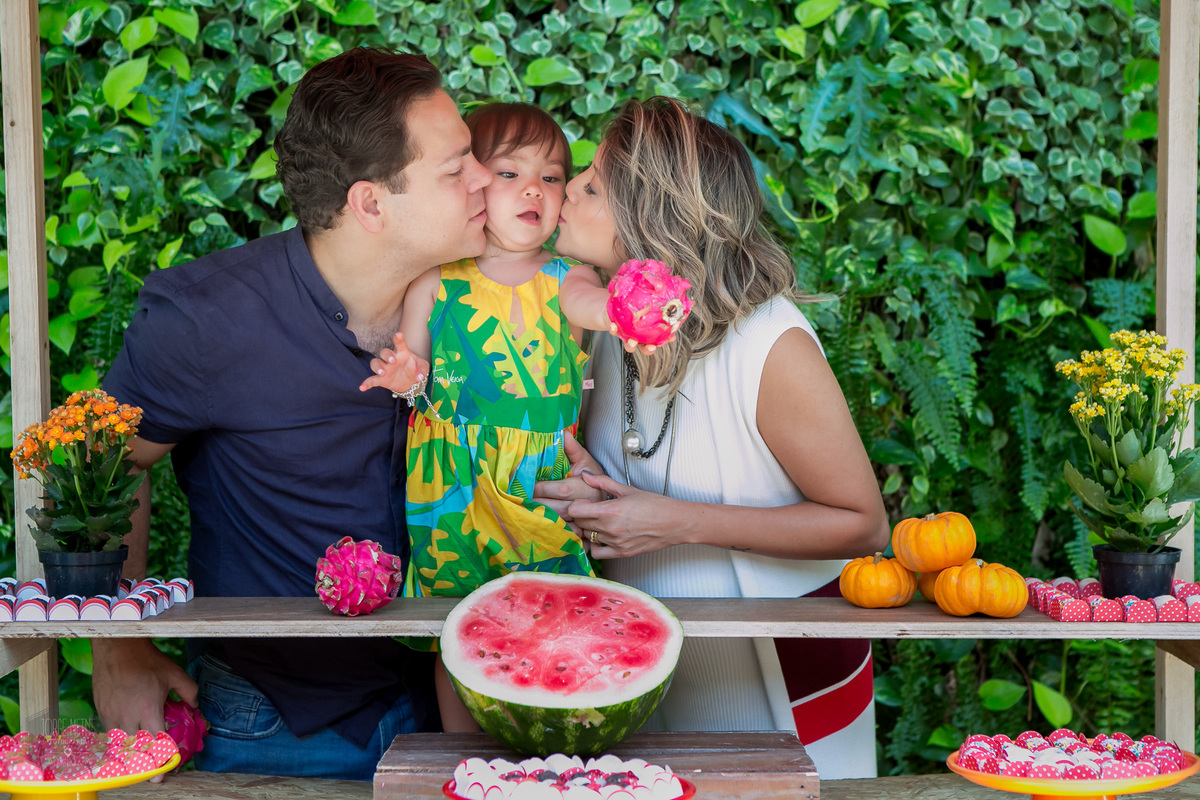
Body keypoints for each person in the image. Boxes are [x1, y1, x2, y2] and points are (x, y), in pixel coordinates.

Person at [98, 48, 493, 780]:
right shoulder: (206, 318)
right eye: (457, 167)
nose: (485, 180)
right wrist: (119, 649)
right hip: (270, 720)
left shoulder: (489, 299)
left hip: (450, 702)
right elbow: (104, 464)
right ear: (370, 203)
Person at [532, 97, 890, 780]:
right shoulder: (611, 326)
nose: (566, 192)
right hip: (643, 684)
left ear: (648, 215)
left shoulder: (768, 344)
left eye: (592, 186)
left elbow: (863, 525)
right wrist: (594, 499)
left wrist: (675, 524)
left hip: (776, 692)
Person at [358, 102, 647, 731]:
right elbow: (416, 371)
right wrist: (405, 378)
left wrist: (628, 312)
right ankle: (463, 759)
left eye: (550, 176)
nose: (535, 191)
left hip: (537, 485)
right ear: (475, 184)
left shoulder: (570, 275)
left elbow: (592, 307)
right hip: (449, 486)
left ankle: (549, 755)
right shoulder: (435, 281)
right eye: (511, 174)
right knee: (455, 628)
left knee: (556, 619)